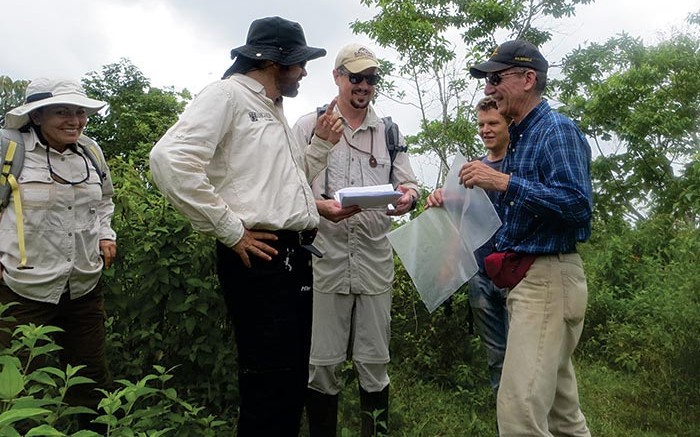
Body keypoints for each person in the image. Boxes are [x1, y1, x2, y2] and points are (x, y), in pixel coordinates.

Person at [149, 16, 328, 437]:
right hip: (259, 256)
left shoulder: (272, 109)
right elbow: (169, 160)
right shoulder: (227, 96)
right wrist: (231, 230)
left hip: (292, 256)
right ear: (273, 62)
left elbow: (282, 183)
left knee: (288, 379)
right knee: (269, 381)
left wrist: (321, 144)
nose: (303, 71)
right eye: (298, 62)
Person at [463, 39, 593, 436]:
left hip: (548, 281)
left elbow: (577, 206)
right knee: (561, 414)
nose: (488, 87)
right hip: (531, 282)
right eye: (487, 79)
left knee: (519, 413)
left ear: (528, 79)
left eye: (496, 78)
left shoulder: (556, 130)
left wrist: (503, 181)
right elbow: (517, 212)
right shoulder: (520, 136)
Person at [293, 43, 420, 437]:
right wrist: (320, 207)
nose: (364, 85)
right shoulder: (308, 126)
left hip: (374, 265)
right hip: (324, 263)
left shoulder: (389, 132)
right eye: (356, 77)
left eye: (371, 78)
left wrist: (408, 197)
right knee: (322, 364)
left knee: (374, 363)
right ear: (337, 77)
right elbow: (286, 188)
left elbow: (410, 183)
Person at [0, 78, 117, 430]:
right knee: (16, 383)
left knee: (91, 379)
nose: (75, 120)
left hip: (83, 284)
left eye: (79, 112)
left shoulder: (92, 151)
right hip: (23, 286)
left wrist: (105, 236)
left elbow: (105, 201)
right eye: (63, 111)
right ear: (36, 116)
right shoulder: (10, 150)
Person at [426, 96, 511, 397]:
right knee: (496, 356)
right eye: (481, 124)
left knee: (525, 357)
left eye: (493, 123)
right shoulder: (471, 169)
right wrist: (440, 197)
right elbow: (459, 215)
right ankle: (506, 422)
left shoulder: (518, 164)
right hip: (480, 273)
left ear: (508, 123)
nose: (485, 130)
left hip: (515, 275)